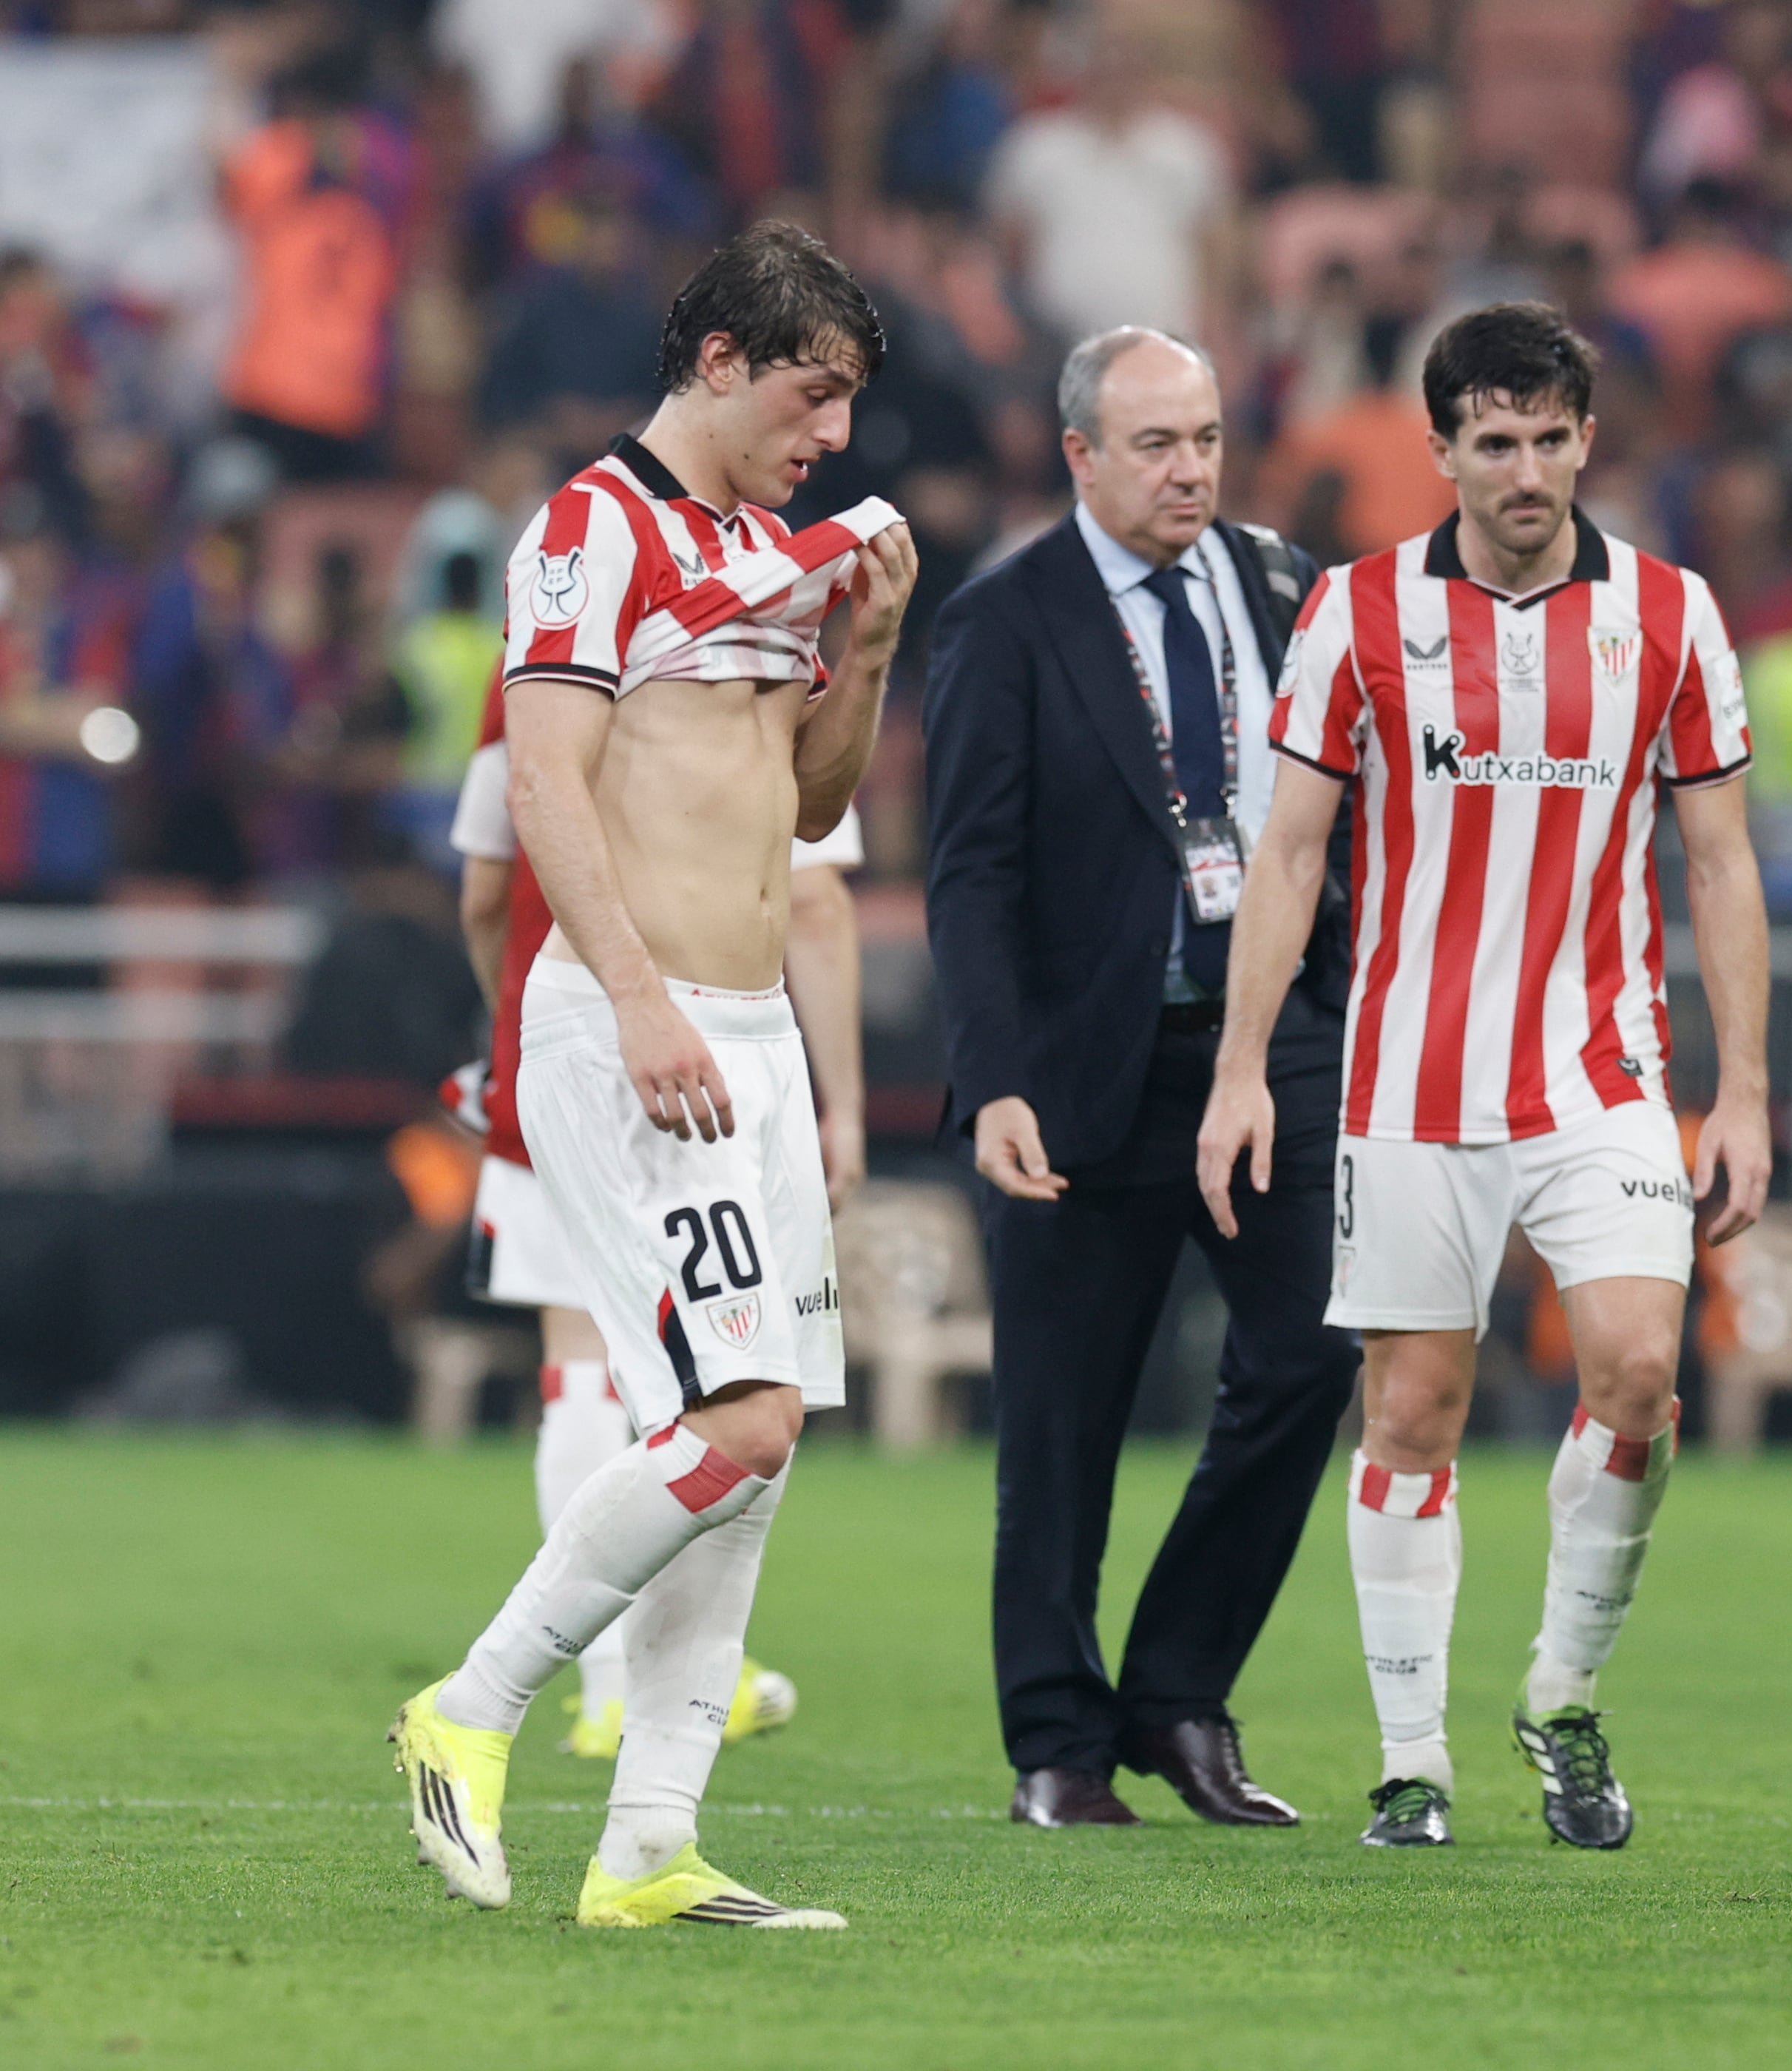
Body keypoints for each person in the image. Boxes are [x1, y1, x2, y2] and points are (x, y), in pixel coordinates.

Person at [387, 222, 916, 1933]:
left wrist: (878, 646)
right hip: (636, 1028)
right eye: (810, 393)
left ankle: (649, 1847)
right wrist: (636, 1000)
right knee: (736, 1413)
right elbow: (546, 784)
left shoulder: (769, 550)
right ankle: (469, 1702)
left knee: (765, 1444)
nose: (831, 434)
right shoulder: (586, 530)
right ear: (715, 361)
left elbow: (812, 803)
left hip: (747, 1030)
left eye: (845, 404)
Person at [1196, 302, 1774, 1851]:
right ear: (1441, 447)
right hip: (1406, 1075)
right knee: (1414, 1405)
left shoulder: (1670, 615)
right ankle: (1411, 1760)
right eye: (1493, 440)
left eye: (1549, 436)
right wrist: (1243, 1068)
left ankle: (1561, 1693)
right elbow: (1291, 851)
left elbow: (1718, 860)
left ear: (1588, 437)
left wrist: (1753, 1091)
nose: (1525, 468)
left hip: (1603, 1067)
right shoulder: (1358, 613)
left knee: (1642, 1371)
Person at [921, 326, 1358, 1832]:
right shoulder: (1007, 620)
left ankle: (1176, 1690)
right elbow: (969, 875)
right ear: (1079, 457)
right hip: (1083, 1063)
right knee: (1062, 1419)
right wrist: (992, 1082)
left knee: (1313, 1352)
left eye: (1208, 439)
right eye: (1157, 444)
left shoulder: (1283, 584)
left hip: (1268, 1042)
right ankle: (1056, 1737)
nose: (1191, 470)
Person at [452, 663, 873, 1760]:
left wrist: (503, 1047)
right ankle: (588, 1687)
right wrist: (844, 1100)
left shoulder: (529, 666)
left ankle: (612, 1705)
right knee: (729, 1397)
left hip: (543, 1055)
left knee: (578, 1364)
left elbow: (486, 888)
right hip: (693, 1050)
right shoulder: (757, 646)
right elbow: (816, 893)